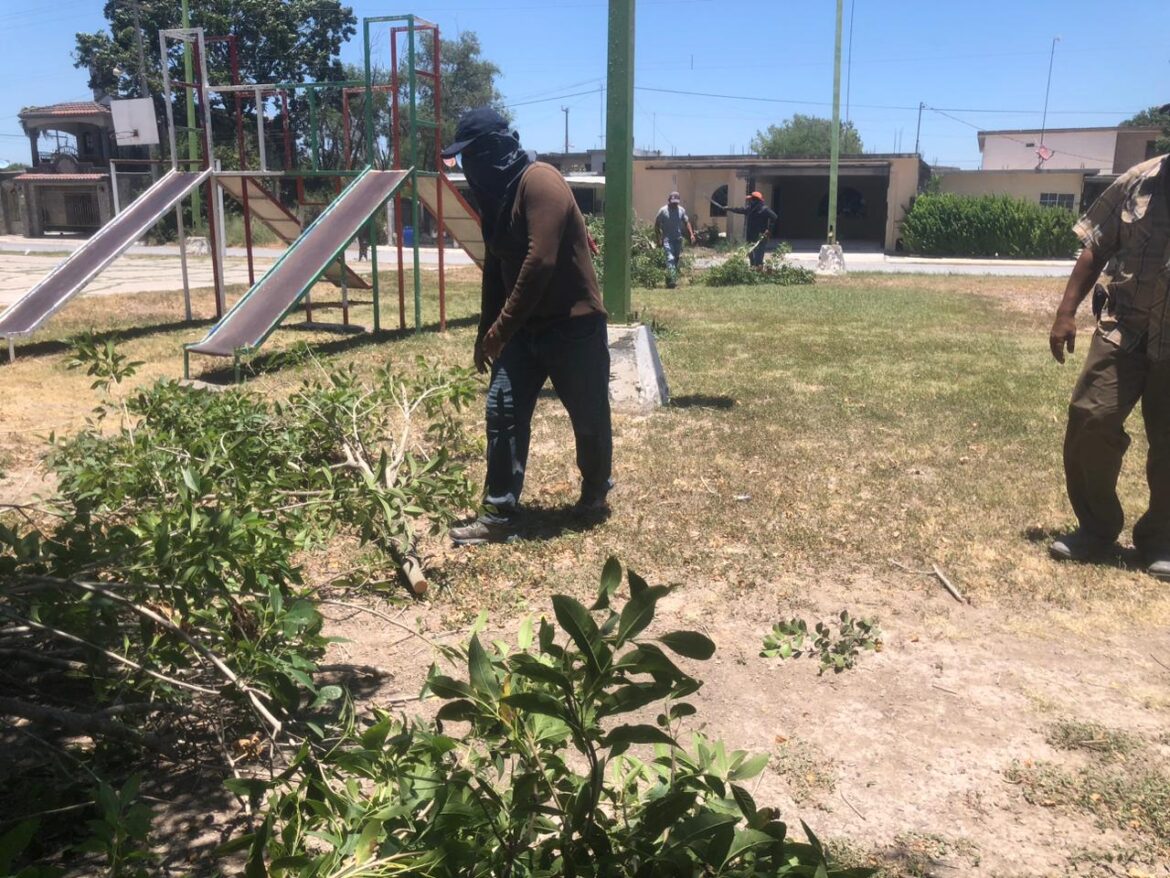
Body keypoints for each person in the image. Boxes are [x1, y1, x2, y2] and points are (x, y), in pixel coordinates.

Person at [442, 107, 613, 546]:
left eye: (474, 155)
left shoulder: (541, 182)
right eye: (464, 158)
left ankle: (595, 491)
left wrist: (500, 328)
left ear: (498, 149)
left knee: (589, 420)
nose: (469, 166)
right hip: (523, 333)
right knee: (502, 412)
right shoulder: (495, 199)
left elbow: (540, 262)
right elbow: (495, 267)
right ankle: (499, 512)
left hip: (574, 327)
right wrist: (486, 331)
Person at [1048, 147, 1170, 578]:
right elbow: (1095, 249)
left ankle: (1162, 537)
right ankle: (1097, 528)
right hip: (1126, 328)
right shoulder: (1138, 181)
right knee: (1090, 418)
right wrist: (1066, 313)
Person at [715, 190, 777, 267]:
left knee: (758, 257)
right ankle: (752, 270)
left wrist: (769, 229)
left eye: (751, 200)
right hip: (750, 236)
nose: (749, 202)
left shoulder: (765, 209)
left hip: (761, 237)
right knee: (751, 256)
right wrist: (728, 208)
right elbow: (739, 210)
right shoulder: (750, 209)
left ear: (755, 200)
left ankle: (758, 271)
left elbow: (774, 217)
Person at [654, 191, 696, 288]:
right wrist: (658, 239)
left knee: (675, 259)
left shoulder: (681, 210)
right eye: (673, 202)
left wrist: (691, 235)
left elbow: (686, 222)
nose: (675, 204)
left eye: (676, 202)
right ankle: (673, 281)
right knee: (670, 259)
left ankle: (669, 279)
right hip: (667, 240)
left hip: (678, 239)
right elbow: (656, 225)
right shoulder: (663, 211)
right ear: (669, 201)